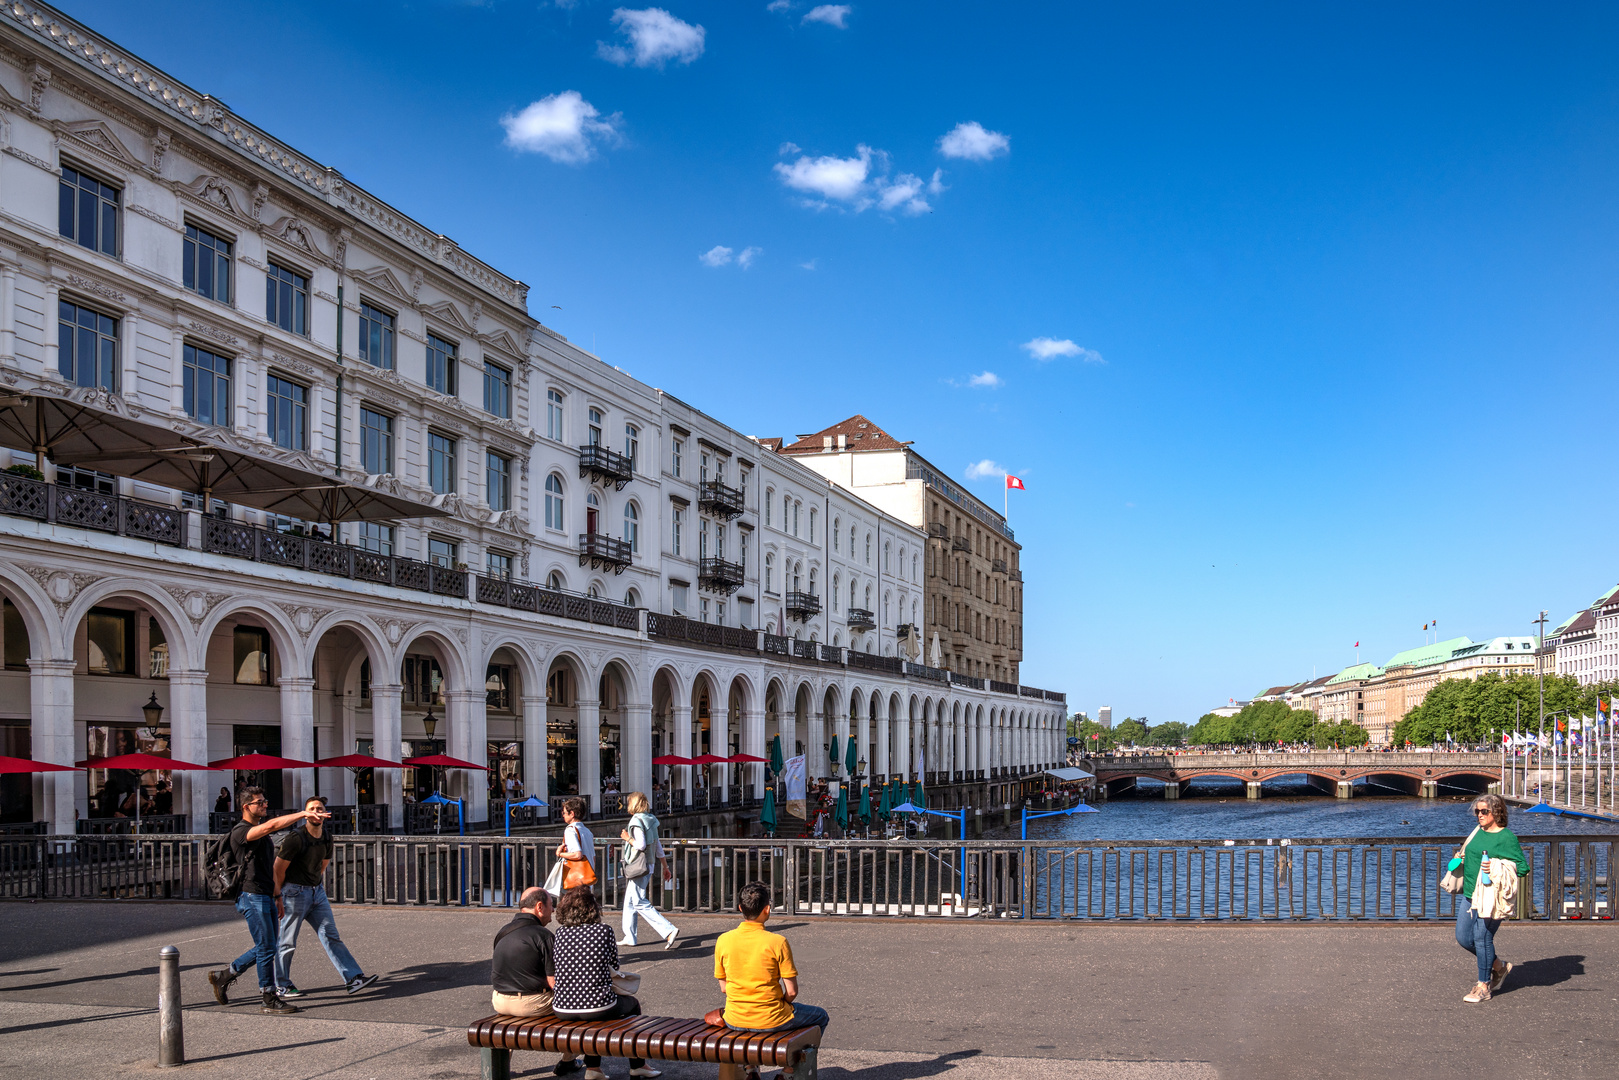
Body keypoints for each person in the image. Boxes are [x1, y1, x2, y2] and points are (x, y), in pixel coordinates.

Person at [207, 787, 327, 1014]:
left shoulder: (259, 833)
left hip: (265, 894)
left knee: (268, 946)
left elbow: (269, 867)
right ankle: (268, 997)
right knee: (266, 947)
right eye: (260, 803)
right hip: (251, 895)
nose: (264, 805)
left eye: (265, 801)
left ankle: (225, 975)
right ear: (246, 807)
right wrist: (303, 814)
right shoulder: (241, 832)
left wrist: (278, 895)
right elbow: (272, 826)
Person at [273, 795, 380, 997]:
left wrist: (315, 887)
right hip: (294, 893)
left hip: (316, 892)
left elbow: (323, 865)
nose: (316, 812)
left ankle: (353, 978)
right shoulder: (296, 838)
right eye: (312, 808)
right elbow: (278, 869)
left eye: (320, 809)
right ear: (306, 814)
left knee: (331, 935)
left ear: (325, 814)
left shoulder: (326, 837)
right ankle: (282, 985)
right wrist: (278, 895)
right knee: (287, 941)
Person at [552, 886, 660, 1079]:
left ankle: (594, 1069)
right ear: (592, 909)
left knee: (593, 1016)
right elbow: (614, 966)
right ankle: (638, 1064)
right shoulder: (603, 931)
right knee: (632, 1005)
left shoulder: (560, 933)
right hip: (598, 1005)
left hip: (562, 1007)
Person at [715, 880, 829, 1057]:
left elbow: (724, 988)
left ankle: (751, 1070)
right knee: (820, 1016)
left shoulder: (723, 940)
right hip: (771, 1017)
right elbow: (791, 992)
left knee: (750, 1032)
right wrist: (781, 1004)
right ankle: (790, 1070)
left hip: (734, 1018)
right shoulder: (777, 942)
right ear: (767, 909)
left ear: (740, 908)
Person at [1453, 793, 1529, 1003]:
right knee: (1463, 938)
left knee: (1482, 938)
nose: (1479, 815)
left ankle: (1483, 986)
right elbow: (1474, 854)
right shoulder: (1478, 831)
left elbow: (1522, 868)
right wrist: (1462, 858)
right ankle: (1499, 966)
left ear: (1497, 812)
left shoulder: (1506, 837)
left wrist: (1496, 865)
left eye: (1484, 811)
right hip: (1470, 894)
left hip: (1490, 896)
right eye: (1477, 811)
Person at [618, 791, 678, 949]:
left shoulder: (636, 821)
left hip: (639, 865)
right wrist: (665, 867)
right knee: (630, 902)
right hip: (649, 864)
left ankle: (668, 930)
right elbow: (657, 846)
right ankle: (630, 936)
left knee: (638, 901)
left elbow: (641, 845)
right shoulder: (651, 820)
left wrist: (627, 838)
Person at [556, 797, 597, 891]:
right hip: (587, 876)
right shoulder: (587, 831)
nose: (563, 815)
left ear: (572, 814)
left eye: (564, 813)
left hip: (576, 878)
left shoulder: (570, 830)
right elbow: (593, 857)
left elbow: (577, 854)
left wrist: (559, 853)